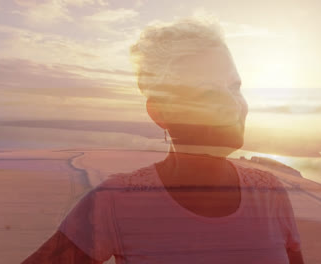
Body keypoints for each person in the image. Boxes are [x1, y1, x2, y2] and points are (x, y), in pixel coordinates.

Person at [22, 16, 304, 264]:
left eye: (235, 87)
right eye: (208, 94)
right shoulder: (116, 202)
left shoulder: (270, 194)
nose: (233, 104)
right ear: (160, 112)